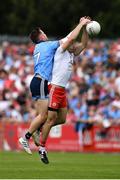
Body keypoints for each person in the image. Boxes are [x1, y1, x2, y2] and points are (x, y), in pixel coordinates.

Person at [19, 16, 91, 162]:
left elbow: (82, 44)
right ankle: (32, 140)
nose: (45, 34)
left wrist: (86, 29)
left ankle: (38, 130)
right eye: (43, 32)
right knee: (46, 117)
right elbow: (70, 39)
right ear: (40, 35)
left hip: (59, 88)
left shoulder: (58, 50)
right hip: (50, 85)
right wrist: (81, 23)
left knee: (61, 119)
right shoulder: (57, 48)